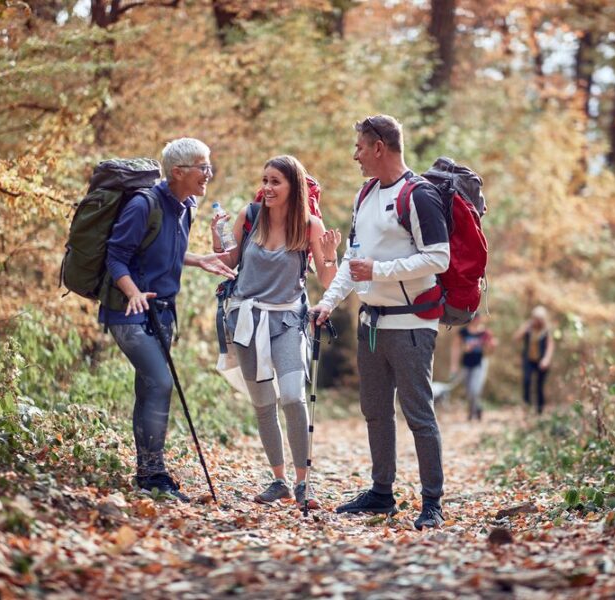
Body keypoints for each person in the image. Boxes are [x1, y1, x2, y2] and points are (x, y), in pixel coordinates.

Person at [311, 114, 450, 530]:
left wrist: (381, 270)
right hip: (371, 324)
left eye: (359, 147)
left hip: (411, 324)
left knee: (418, 414)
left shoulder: (419, 195)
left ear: (379, 147)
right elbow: (355, 265)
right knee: (374, 411)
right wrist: (327, 303)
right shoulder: (366, 194)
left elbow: (438, 258)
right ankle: (381, 493)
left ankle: (432, 502)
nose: (355, 155)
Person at [103, 138, 235, 501]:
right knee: (160, 382)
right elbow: (116, 257)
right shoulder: (142, 205)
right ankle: (153, 473)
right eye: (202, 167)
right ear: (178, 172)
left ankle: (147, 473)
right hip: (128, 312)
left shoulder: (185, 206)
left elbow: (166, 249)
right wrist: (131, 292)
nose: (208, 173)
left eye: (209, 166)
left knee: (149, 387)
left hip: (163, 312)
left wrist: (199, 259)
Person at [213, 155, 341, 508]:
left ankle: (303, 483)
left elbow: (328, 281)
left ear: (292, 187)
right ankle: (279, 480)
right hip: (246, 319)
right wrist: (217, 237)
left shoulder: (310, 225)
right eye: (265, 180)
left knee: (292, 397)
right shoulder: (249, 216)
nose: (267, 188)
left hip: (286, 320)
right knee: (263, 404)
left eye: (275, 182)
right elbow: (227, 263)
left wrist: (330, 256)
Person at [450, 312, 497, 421]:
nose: (476, 320)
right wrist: (454, 365)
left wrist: (492, 346)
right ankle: (476, 408)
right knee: (468, 390)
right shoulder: (463, 332)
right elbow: (455, 348)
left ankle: (472, 413)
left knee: (474, 390)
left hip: (479, 364)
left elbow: (490, 350)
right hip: (466, 364)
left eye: (478, 318)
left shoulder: (485, 333)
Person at [514, 306, 555, 414]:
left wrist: (546, 359)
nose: (536, 321)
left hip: (541, 361)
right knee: (526, 381)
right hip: (529, 360)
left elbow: (550, 346)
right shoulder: (529, 328)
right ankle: (526, 406)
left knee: (539, 386)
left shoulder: (546, 331)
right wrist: (525, 328)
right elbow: (516, 338)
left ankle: (539, 410)